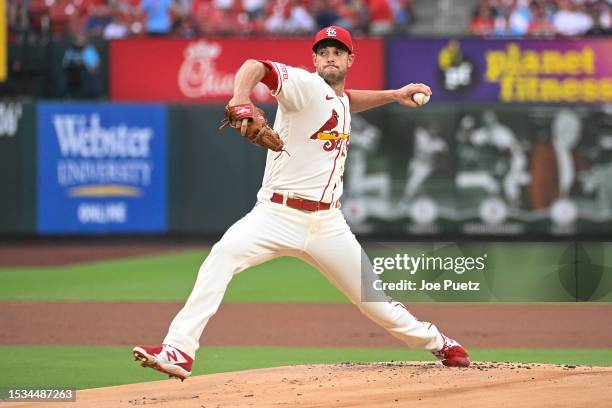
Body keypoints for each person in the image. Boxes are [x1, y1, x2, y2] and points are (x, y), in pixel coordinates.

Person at [133, 25, 470, 381]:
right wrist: (240, 99)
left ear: (349, 59)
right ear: (314, 59)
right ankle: (179, 349)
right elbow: (255, 65)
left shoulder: (338, 98)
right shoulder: (303, 85)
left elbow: (347, 100)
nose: (329, 56)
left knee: (375, 303)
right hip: (276, 214)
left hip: (328, 225)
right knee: (223, 255)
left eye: (337, 51)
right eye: (323, 51)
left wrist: (394, 94)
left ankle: (440, 342)